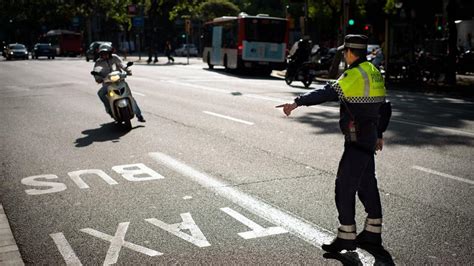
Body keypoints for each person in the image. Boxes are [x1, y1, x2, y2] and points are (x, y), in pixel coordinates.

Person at [277, 34, 392, 253]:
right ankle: (372, 233)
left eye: (344, 52)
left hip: (357, 139)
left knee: (344, 187)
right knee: (367, 184)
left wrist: (296, 102)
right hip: (368, 138)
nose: (344, 56)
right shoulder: (374, 71)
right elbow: (385, 106)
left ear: (349, 52)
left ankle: (346, 237)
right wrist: (379, 133)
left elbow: (328, 92)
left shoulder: (355, 74)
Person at [92, 43, 146, 122]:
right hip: (108, 84)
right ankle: (109, 108)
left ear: (110, 52)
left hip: (120, 81)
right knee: (100, 93)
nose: (104, 55)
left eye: (106, 53)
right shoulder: (98, 62)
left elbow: (122, 65)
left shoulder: (115, 57)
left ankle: (139, 115)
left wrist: (127, 71)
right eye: (102, 53)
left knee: (130, 96)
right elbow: (96, 71)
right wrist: (98, 78)